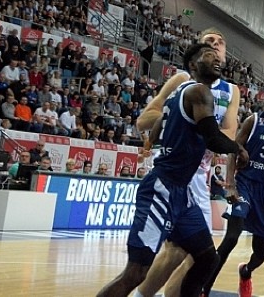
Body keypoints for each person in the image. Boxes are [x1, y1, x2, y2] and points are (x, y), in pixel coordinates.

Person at [97, 44, 246, 297]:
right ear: (192, 66)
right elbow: (212, 138)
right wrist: (238, 149)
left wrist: (155, 143)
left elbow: (155, 130)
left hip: (181, 193)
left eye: (217, 55)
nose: (216, 59)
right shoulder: (199, 92)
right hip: (162, 190)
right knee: (135, 273)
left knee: (207, 257)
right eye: (207, 56)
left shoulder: (179, 94)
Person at [135, 28, 240, 297]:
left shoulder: (231, 90)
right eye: (209, 43)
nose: (216, 45)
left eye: (220, 41)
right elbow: (145, 119)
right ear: (197, 55)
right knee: (179, 251)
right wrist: (184, 122)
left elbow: (228, 132)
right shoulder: (183, 80)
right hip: (178, 169)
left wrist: (211, 134)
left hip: (201, 173)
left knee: (196, 254)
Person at [201, 81, 264, 297]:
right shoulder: (253, 121)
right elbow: (232, 151)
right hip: (246, 184)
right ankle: (204, 288)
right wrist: (231, 185)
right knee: (232, 238)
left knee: (261, 254)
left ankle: (246, 271)